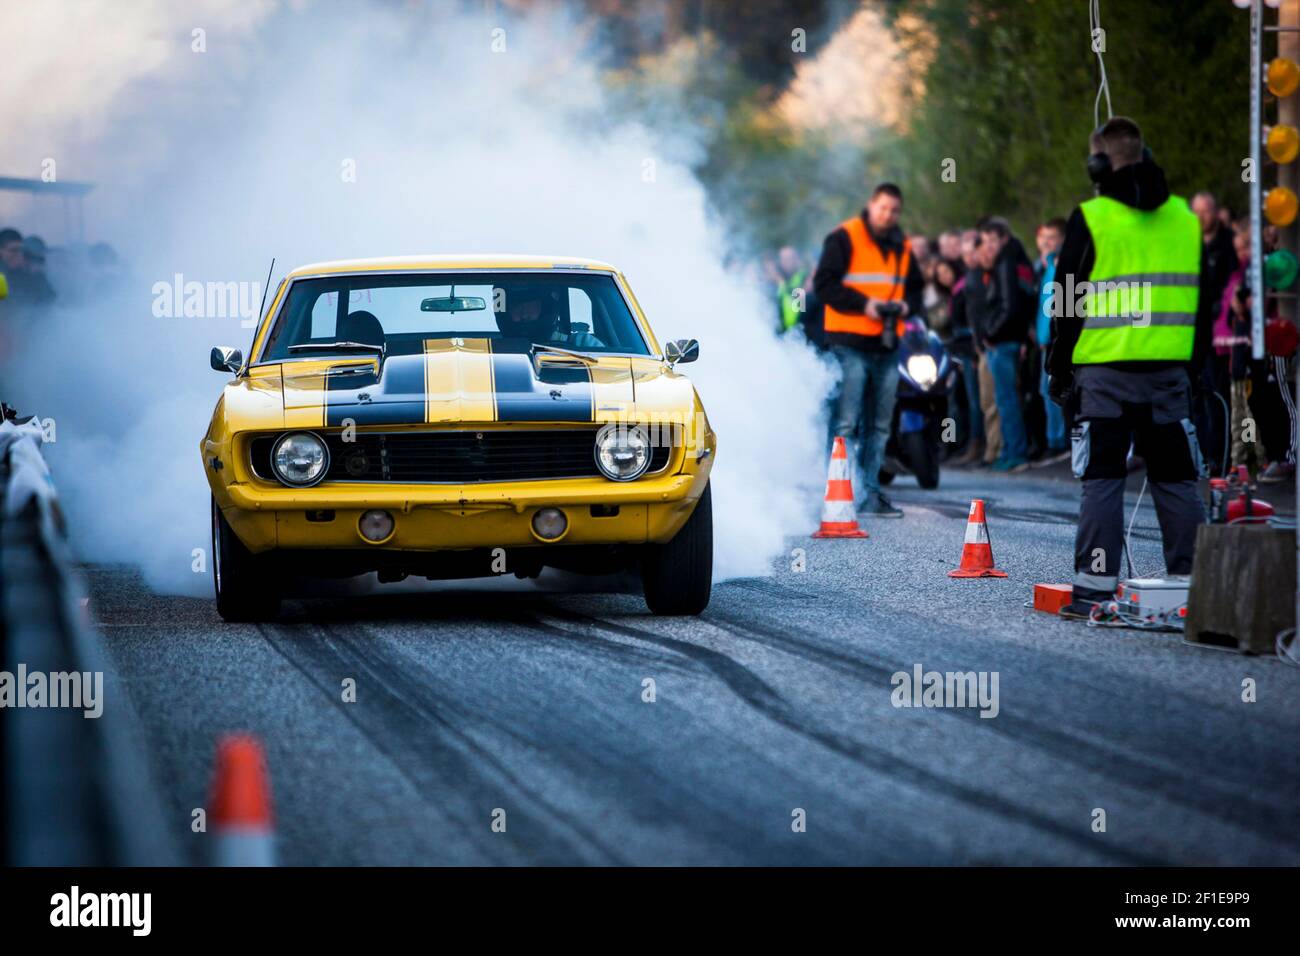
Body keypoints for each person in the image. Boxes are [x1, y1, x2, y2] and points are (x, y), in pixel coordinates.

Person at [1047, 117, 1216, 619]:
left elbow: (1065, 300)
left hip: (1104, 374)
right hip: (1168, 373)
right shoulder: (1185, 220)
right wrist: (1194, 371)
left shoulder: (1093, 217)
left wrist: (1058, 367)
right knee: (1176, 478)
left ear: (1098, 165)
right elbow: (1202, 307)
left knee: (1102, 477)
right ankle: (1195, 588)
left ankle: (1095, 591)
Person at [814, 182, 924, 517]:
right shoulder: (844, 237)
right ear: (871, 204)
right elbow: (824, 286)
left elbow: (916, 290)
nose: (888, 215)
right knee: (847, 421)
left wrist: (907, 307)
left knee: (879, 426)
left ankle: (870, 492)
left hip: (887, 345)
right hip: (849, 343)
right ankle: (839, 490)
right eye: (883, 208)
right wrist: (866, 305)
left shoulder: (902, 246)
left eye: (894, 210)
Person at [975, 216, 1034, 472]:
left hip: (1003, 342)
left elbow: (1010, 307)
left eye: (993, 240)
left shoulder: (1006, 264)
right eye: (984, 241)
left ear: (1005, 239)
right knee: (1005, 398)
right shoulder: (1014, 261)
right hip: (1010, 340)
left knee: (1007, 399)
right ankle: (1010, 451)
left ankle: (1015, 454)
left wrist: (991, 333)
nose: (988, 246)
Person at [1034, 218, 1069, 461]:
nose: (1047, 242)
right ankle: (1052, 439)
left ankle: (1060, 441)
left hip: (1057, 340)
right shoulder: (1047, 265)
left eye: (1052, 237)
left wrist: (1052, 335)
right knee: (1044, 391)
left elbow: (1060, 305)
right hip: (1045, 340)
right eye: (1044, 237)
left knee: (1055, 389)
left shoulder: (1065, 265)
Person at [495, 284, 604, 349]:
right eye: (516, 306)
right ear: (504, 311)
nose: (524, 313)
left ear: (547, 307)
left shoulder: (583, 344)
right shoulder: (486, 352)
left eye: (530, 305)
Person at [773, 245, 811, 335]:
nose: (785, 262)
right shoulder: (779, 279)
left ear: (797, 259)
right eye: (783, 259)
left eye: (789, 259)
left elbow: (800, 305)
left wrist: (783, 285)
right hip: (782, 333)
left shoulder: (805, 277)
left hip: (801, 332)